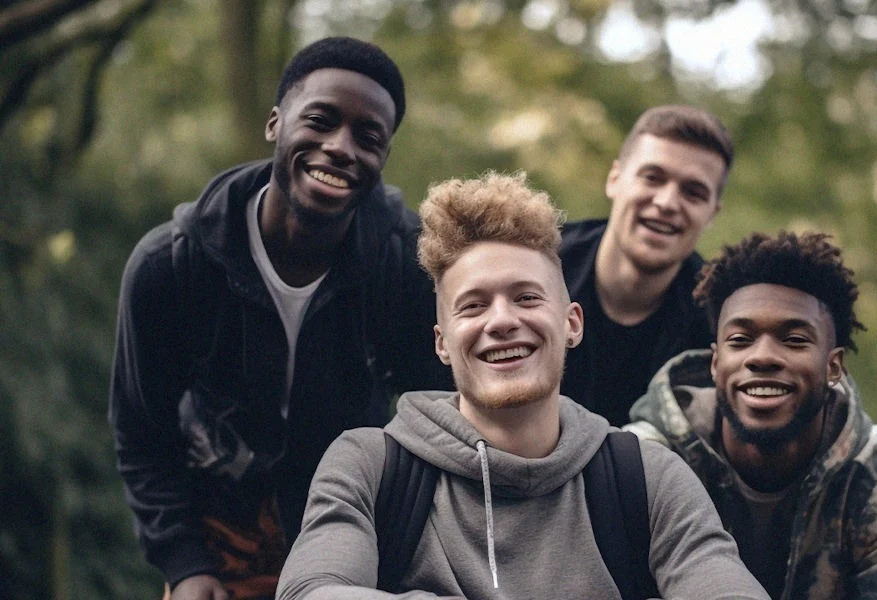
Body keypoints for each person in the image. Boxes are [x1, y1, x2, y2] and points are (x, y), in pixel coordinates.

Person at [275, 172, 768, 599]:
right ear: (442, 343)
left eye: (527, 297)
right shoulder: (371, 466)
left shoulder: (646, 476)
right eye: (473, 306)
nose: (502, 321)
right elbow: (310, 590)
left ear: (572, 322)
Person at [108, 37, 450, 599]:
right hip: (218, 533)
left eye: (369, 138)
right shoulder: (170, 265)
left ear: (384, 155)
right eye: (321, 120)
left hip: (350, 526)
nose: (341, 148)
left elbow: (439, 418)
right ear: (275, 123)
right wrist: (183, 564)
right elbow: (140, 431)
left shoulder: (408, 267)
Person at [627, 231, 877, 599]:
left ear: (834, 367)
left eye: (794, 339)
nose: (763, 356)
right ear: (716, 364)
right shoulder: (640, 465)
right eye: (740, 340)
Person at [559, 104, 734, 425]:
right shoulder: (534, 268)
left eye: (693, 192)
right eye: (652, 177)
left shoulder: (721, 325)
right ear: (614, 179)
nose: (667, 203)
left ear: (712, 213)